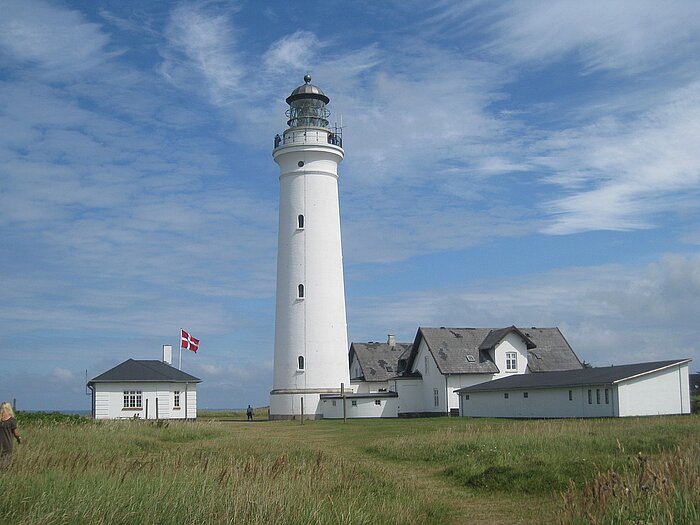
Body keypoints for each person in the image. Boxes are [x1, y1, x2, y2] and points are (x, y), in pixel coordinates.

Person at [0, 401, 21, 466]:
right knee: (7, 462)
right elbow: (16, 433)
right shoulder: (12, 420)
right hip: (8, 444)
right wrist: (19, 438)